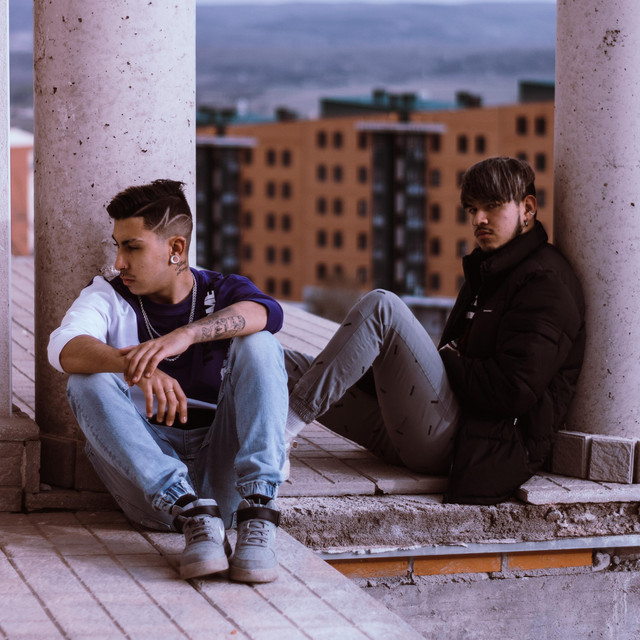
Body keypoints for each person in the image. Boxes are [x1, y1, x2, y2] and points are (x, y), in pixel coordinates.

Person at [285, 157, 585, 504]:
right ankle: (242, 440)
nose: (479, 219)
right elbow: (452, 360)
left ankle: (284, 432)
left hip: (466, 446)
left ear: (527, 208)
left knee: (383, 307)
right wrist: (369, 369)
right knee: (277, 363)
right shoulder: (487, 272)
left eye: (492, 206)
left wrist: (448, 359)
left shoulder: (546, 282)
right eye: (472, 209)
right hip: (416, 428)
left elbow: (512, 390)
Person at [48, 179, 288, 583]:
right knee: (85, 381)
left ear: (176, 248)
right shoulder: (108, 295)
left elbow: (268, 313)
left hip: (224, 469)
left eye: (132, 247)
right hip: (153, 490)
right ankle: (192, 512)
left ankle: (259, 510)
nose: (118, 262)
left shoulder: (220, 290)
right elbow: (63, 347)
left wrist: (186, 334)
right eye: (118, 246)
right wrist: (136, 366)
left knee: (260, 342)